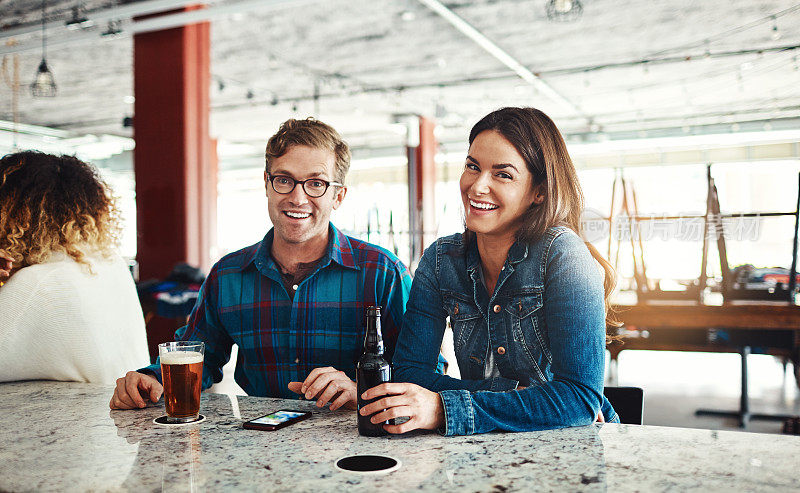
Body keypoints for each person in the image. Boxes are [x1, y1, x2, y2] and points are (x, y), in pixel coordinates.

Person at [110, 118, 417, 412]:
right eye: (284, 180)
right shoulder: (228, 276)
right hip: (261, 444)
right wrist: (150, 380)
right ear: (268, 186)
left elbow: (422, 371)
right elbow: (196, 357)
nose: (298, 198)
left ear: (338, 196)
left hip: (358, 445)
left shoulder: (382, 273)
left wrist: (359, 391)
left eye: (316, 183)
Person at [359, 107, 619, 435]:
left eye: (503, 174)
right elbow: (410, 374)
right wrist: (508, 394)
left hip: (570, 447)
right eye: (472, 166)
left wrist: (444, 407)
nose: (477, 186)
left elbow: (579, 400)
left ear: (539, 191)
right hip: (484, 445)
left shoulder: (563, 254)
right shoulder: (441, 259)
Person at [0, 151, 149, 384]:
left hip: (81, 419)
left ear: (11, 215)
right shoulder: (109, 263)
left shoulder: (36, 284)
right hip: (127, 416)